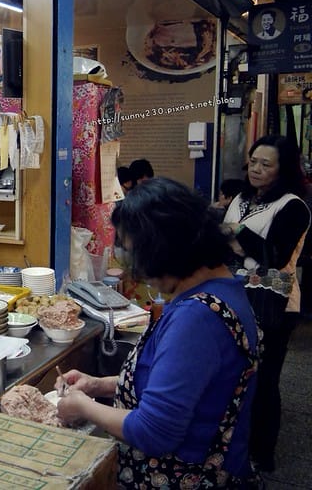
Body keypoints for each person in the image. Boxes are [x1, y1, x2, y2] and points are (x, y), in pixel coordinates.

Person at [56, 177, 260, 487]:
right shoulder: (225, 288)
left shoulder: (198, 318)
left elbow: (155, 431)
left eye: (136, 257)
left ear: (165, 251)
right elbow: (179, 384)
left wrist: (84, 406)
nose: (135, 272)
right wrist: (98, 385)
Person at [222, 134, 310, 473]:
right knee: (234, 373)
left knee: (264, 378)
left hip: (273, 302)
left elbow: (274, 256)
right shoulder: (244, 197)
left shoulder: (293, 206)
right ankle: (234, 440)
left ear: (283, 169)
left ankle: (263, 453)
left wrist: (237, 232)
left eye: (266, 165)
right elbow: (230, 240)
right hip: (234, 295)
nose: (256, 169)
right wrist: (239, 236)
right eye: (253, 162)